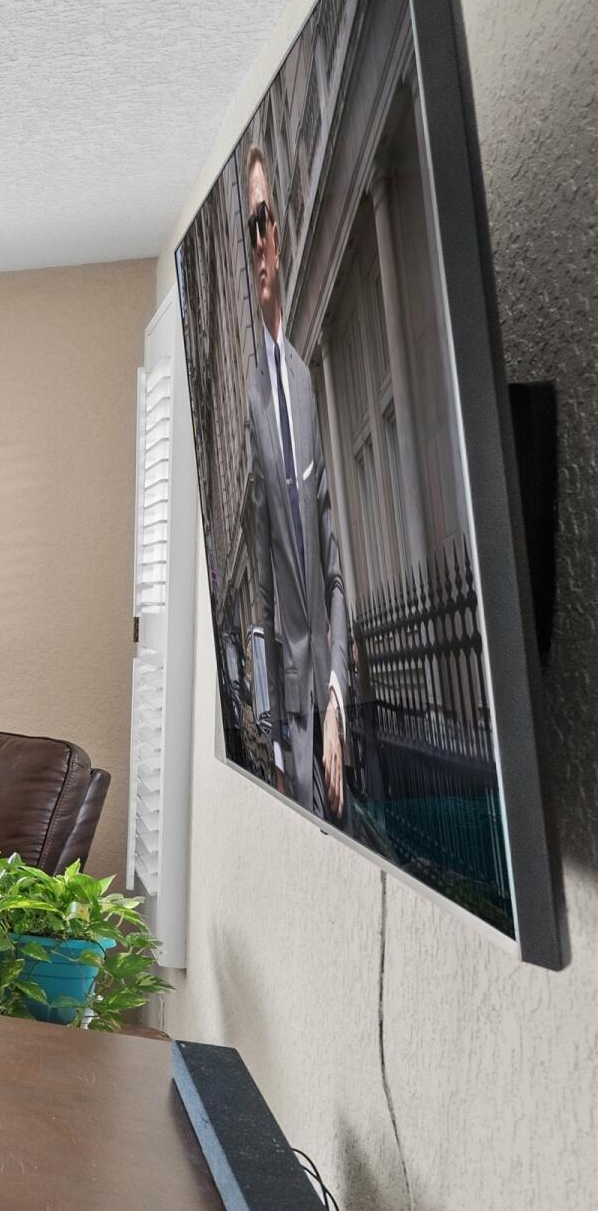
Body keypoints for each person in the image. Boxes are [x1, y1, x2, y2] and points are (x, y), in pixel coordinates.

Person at [239, 144, 351, 818]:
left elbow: (336, 568)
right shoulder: (250, 400)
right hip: (286, 719)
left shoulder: (307, 382)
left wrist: (337, 697)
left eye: (264, 224)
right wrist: (273, 740)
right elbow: (256, 592)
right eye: (247, 229)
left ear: (277, 239)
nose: (257, 244)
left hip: (325, 708)